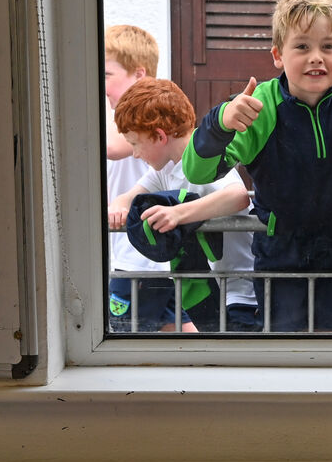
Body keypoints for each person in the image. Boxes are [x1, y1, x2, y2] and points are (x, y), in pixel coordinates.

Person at [182, 0, 332, 332]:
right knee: (284, 351)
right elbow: (198, 171)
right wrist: (220, 123)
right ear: (277, 55)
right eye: (302, 46)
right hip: (280, 255)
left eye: (328, 47)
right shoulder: (261, 105)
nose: (316, 57)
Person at [107, 78, 252, 331]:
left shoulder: (204, 157)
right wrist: (118, 206)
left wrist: (178, 214)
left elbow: (238, 195)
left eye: (135, 144)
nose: (136, 154)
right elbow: (128, 197)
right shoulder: (165, 168)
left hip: (245, 294)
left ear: (159, 136)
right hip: (220, 290)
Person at [103, 24, 181, 333]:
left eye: (107, 76)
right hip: (149, 257)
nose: (102, 85)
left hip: (139, 260)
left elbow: (112, 147)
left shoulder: (142, 117)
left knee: (126, 340)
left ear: (139, 75)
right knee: (178, 334)